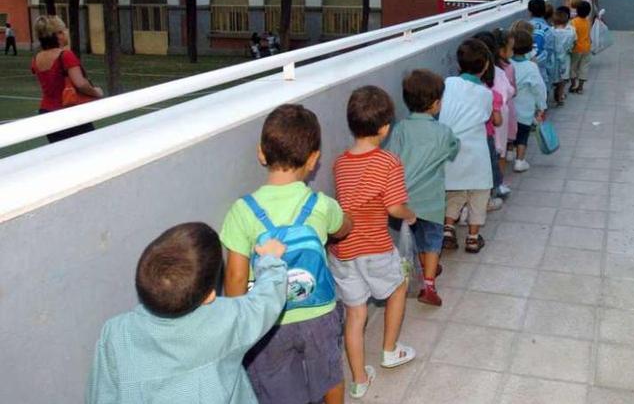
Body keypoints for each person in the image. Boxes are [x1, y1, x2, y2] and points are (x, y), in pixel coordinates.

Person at [220, 104, 353, 404]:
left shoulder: (241, 211)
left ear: (261, 153)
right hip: (319, 312)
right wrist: (347, 220)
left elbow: (236, 277)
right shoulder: (321, 204)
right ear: (313, 159)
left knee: (275, 386)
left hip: (268, 320)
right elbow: (343, 228)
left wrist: (238, 327)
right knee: (329, 374)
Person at [87, 223, 289, 404]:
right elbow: (266, 301)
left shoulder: (115, 334)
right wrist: (270, 261)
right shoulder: (226, 322)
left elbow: (102, 395)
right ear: (209, 296)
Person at [330, 86, 418, 399]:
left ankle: (358, 380)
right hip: (374, 247)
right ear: (384, 128)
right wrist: (410, 215)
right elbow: (394, 208)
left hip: (342, 252)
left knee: (355, 314)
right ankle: (390, 351)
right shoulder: (388, 162)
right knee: (398, 287)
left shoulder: (340, 162)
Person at [385, 69, 460, 306]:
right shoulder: (443, 132)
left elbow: (390, 158)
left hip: (404, 201)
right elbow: (453, 149)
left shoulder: (400, 129)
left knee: (416, 239)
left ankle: (423, 270)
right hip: (432, 201)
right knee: (433, 240)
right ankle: (429, 284)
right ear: (436, 104)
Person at [439, 39, 494, 253]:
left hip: (450, 151)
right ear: (486, 66)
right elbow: (486, 115)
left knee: (454, 191)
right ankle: (472, 237)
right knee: (479, 194)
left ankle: (448, 229)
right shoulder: (486, 94)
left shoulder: (448, 83)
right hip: (476, 152)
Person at [31, 15, 104, 143]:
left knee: (62, 153)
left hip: (47, 111)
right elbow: (80, 83)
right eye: (63, 30)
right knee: (89, 148)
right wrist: (96, 92)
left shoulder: (36, 58)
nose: (66, 33)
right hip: (68, 110)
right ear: (58, 34)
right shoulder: (66, 55)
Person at [473, 31, 513, 200]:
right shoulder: (499, 72)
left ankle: (485, 190)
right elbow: (508, 93)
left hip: (479, 124)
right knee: (499, 153)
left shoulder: (467, 77)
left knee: (485, 156)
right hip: (499, 120)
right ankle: (498, 185)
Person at [510, 29, 547, 172]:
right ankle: (520, 160)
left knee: (510, 131)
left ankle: (509, 152)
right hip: (525, 108)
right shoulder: (531, 67)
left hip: (510, 107)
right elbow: (538, 88)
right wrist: (542, 106)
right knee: (523, 134)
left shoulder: (506, 64)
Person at [493, 29, 519, 169]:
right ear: (502, 51)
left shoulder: (489, 69)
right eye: (511, 49)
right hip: (504, 109)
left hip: (492, 113)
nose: (512, 52)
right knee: (503, 139)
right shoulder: (509, 67)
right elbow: (513, 89)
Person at [527, 0, 555, 97]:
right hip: (543, 72)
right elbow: (550, 53)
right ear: (544, 11)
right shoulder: (548, 30)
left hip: (527, 71)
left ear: (529, 12)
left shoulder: (524, 27)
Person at [551, 8, 576, 105]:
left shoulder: (551, 32)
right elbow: (573, 44)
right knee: (563, 79)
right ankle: (560, 96)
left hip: (554, 58)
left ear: (553, 22)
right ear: (566, 22)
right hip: (565, 58)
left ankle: (554, 94)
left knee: (554, 77)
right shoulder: (571, 32)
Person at [570, 1, 593, 94]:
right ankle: (580, 87)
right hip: (586, 48)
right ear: (588, 12)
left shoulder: (573, 22)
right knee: (584, 67)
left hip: (576, 48)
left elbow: (572, 36)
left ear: (577, 11)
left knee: (573, 67)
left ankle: (573, 85)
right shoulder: (588, 22)